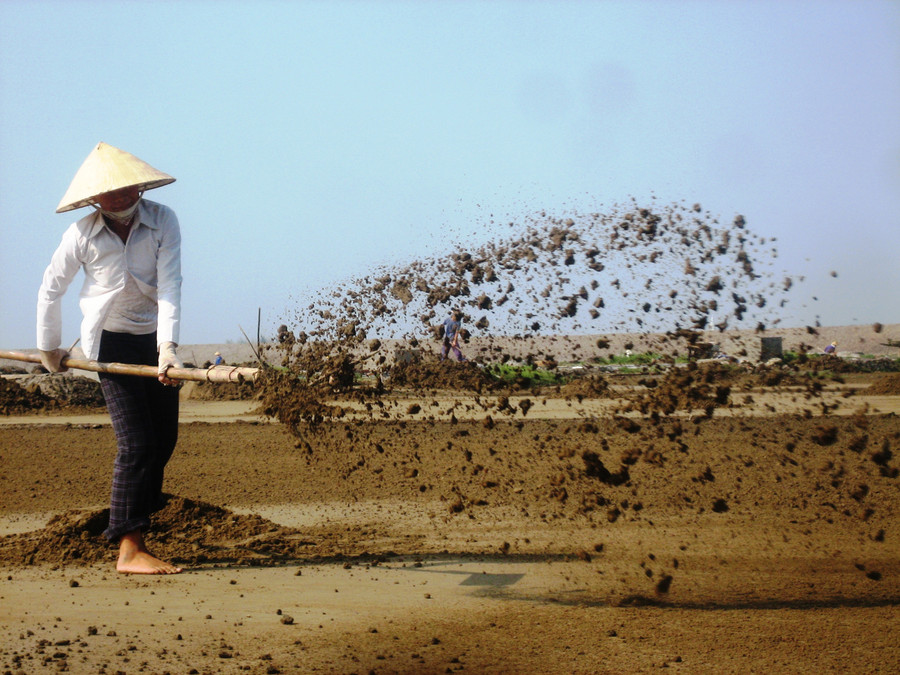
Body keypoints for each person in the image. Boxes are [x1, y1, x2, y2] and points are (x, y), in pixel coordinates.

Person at [36, 142, 184, 575]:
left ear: (140, 185)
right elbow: (51, 288)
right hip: (107, 342)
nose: (118, 198)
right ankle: (128, 546)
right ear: (94, 198)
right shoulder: (81, 234)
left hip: (153, 338)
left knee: (163, 440)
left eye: (125, 189)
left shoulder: (163, 220)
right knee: (135, 444)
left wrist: (168, 350)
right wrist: (50, 348)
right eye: (108, 193)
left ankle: (136, 515)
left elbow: (171, 285)